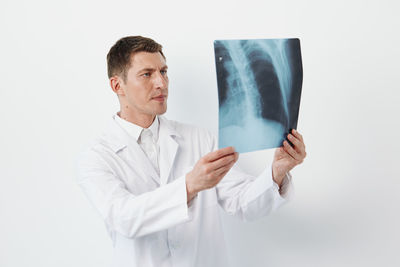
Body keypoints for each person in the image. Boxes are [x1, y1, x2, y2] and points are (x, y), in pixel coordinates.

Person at [77, 36, 306, 267]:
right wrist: (189, 186)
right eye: (147, 74)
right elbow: (123, 218)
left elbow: (242, 204)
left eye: (164, 72)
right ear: (117, 86)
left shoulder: (199, 139)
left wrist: (277, 171)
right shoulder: (97, 157)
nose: (161, 83)